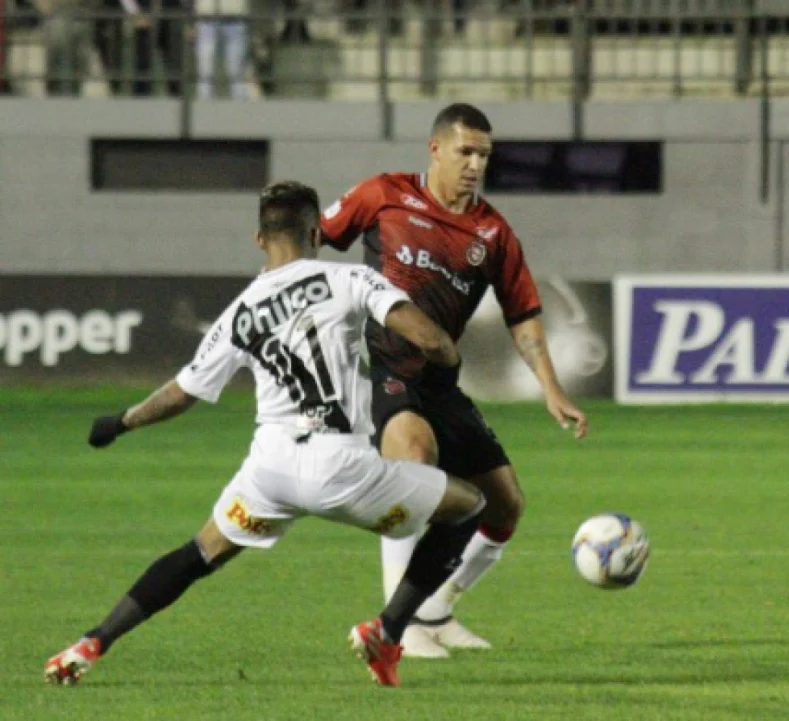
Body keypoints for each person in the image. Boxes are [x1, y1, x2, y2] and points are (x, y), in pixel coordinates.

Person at [43, 180, 486, 688]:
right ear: (317, 232)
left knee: (201, 552)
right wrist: (445, 372)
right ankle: (388, 631)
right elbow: (431, 338)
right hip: (340, 467)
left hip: (270, 469)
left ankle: (91, 642)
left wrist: (120, 422)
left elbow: (180, 393)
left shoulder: (239, 311)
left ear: (260, 240)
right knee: (468, 506)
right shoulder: (347, 279)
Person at [320, 103, 589, 658]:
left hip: (441, 382)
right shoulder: (383, 194)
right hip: (386, 370)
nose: (474, 164)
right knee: (413, 465)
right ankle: (398, 624)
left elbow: (523, 315)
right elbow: (316, 236)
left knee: (506, 504)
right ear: (435, 148)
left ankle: (437, 608)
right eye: (465, 151)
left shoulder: (491, 232)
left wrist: (552, 388)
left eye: (484, 155)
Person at [194, 0, 249, 100]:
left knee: (236, 67)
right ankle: (204, 106)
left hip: (234, 17)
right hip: (207, 17)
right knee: (205, 67)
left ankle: (240, 107)